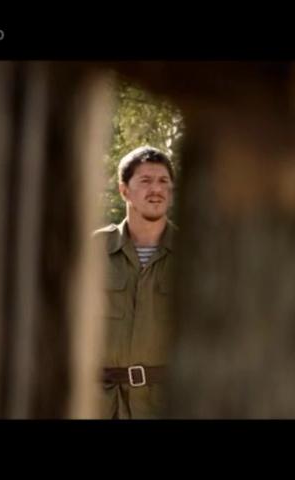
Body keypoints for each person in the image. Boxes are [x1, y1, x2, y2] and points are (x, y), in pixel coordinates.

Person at [93, 146, 177, 419]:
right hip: (101, 405)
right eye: (145, 181)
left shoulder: (194, 253)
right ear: (124, 191)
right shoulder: (94, 250)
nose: (156, 189)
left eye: (163, 181)